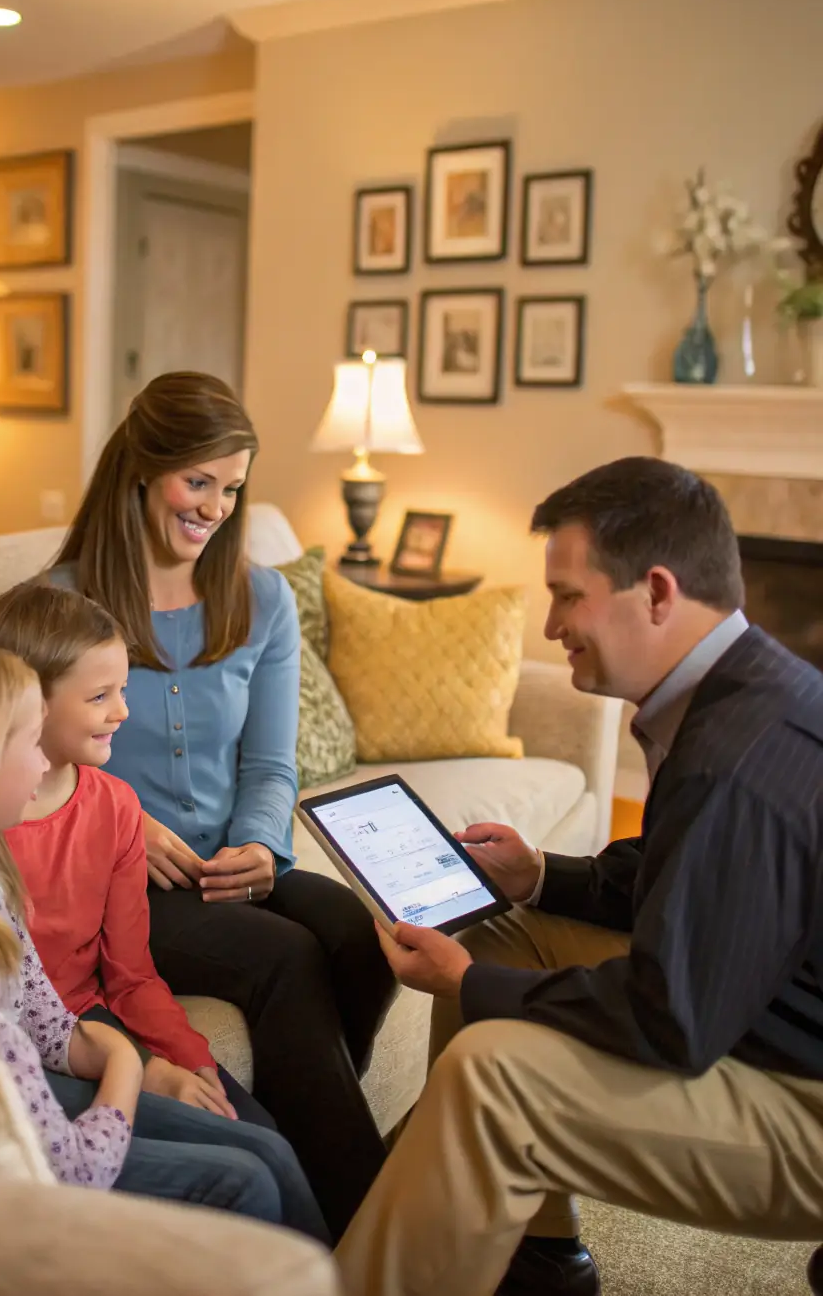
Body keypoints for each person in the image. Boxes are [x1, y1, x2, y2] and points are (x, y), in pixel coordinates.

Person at [336, 457, 823, 1296]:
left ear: (658, 592)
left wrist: (470, 983)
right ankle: (538, 1248)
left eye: (568, 594)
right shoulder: (739, 686)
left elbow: (672, 1018)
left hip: (802, 1091)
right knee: (503, 929)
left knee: (491, 1073)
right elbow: (677, 882)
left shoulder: (735, 755)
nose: (552, 622)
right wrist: (535, 878)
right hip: (766, 1010)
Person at [49, 371, 396, 1240]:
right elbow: (33, 768)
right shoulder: (60, 604)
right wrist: (130, 820)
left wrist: (259, 845)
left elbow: (271, 762)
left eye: (232, 487)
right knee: (285, 958)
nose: (214, 506)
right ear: (144, 467)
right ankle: (374, 1230)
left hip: (227, 857)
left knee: (360, 931)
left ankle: (306, 1123)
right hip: (120, 881)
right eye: (196, 481)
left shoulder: (261, 595)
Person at [0, 643, 327, 1238]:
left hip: (25, 1089)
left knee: (269, 1149)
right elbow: (69, 1168)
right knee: (246, 1180)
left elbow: (42, 1015)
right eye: (28, 747)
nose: (43, 769)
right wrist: (128, 1067)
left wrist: (121, 1053)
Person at [0, 580, 327, 1241]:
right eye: (100, 696)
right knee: (248, 1168)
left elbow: (131, 972)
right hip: (28, 1047)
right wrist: (138, 1068)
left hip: (94, 1018)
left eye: (123, 690)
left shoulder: (113, 805)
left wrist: (187, 1056)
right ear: (27, 696)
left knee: (261, 1133)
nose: (123, 713)